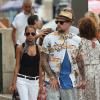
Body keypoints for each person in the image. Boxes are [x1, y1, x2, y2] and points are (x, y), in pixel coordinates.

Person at [40, 10, 85, 100]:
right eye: (57, 22)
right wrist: (52, 77)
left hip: (70, 81)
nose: (58, 24)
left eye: (61, 22)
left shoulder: (77, 40)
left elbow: (80, 61)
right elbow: (43, 60)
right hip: (52, 81)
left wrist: (83, 78)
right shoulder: (49, 38)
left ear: (70, 23)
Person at [10, 25, 41, 100]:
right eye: (28, 34)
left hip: (34, 81)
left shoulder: (39, 48)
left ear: (35, 35)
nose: (30, 35)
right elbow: (17, 65)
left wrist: (41, 83)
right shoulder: (20, 48)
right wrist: (14, 82)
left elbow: (40, 67)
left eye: (33, 34)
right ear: (25, 34)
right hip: (22, 80)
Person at [77, 17, 100, 100]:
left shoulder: (80, 41)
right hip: (97, 71)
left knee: (84, 95)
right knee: (96, 95)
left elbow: (80, 59)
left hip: (85, 70)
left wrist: (82, 77)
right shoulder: (97, 41)